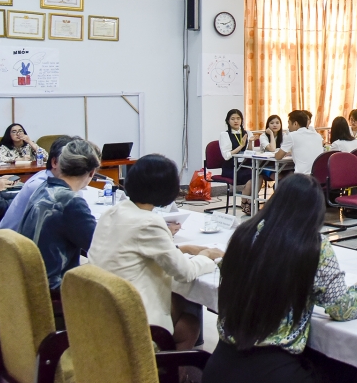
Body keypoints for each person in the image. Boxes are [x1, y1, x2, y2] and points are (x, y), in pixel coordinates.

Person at [202, 174, 357, 383]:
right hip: (271, 381)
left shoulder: (244, 233)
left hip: (220, 369)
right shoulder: (312, 245)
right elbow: (341, 308)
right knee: (346, 374)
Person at [89, 155, 223, 350]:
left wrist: (183, 248)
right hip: (132, 316)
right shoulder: (149, 222)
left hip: (102, 308)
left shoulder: (113, 212)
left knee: (177, 297)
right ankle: (163, 377)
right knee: (190, 324)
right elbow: (184, 272)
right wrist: (207, 256)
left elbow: (136, 250)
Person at [18, 138, 99, 291]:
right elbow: (99, 247)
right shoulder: (71, 202)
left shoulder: (42, 187)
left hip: (30, 281)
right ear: (92, 172)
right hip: (53, 290)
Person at [0, 136, 73, 231]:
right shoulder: (42, 186)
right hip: (12, 243)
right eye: (71, 163)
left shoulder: (45, 175)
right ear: (54, 162)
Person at [219, 109, 258, 201]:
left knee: (258, 175)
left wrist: (250, 143)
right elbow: (226, 155)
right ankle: (245, 201)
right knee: (251, 176)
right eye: (232, 119)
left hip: (245, 165)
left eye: (238, 118)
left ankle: (248, 201)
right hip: (231, 167)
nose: (236, 121)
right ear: (228, 121)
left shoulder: (247, 133)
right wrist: (241, 146)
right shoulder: (225, 135)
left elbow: (249, 152)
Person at [275, 110, 324, 175]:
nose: (288, 126)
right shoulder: (318, 135)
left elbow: (278, 157)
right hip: (319, 176)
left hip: (302, 177)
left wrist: (275, 154)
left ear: (295, 124)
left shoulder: (292, 135)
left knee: (284, 177)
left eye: (289, 123)